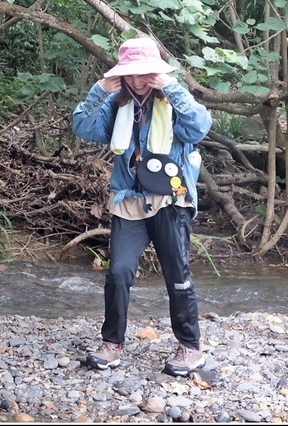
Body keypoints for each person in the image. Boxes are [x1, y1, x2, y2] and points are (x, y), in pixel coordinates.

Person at [71, 36, 212, 377]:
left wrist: (172, 86)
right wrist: (100, 88)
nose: (136, 79)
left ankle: (190, 347)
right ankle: (112, 343)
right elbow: (81, 125)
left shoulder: (173, 101)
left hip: (170, 200)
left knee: (177, 275)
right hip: (129, 202)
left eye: (143, 72)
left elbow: (199, 127)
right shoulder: (116, 104)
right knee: (118, 271)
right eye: (129, 73)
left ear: (156, 71)